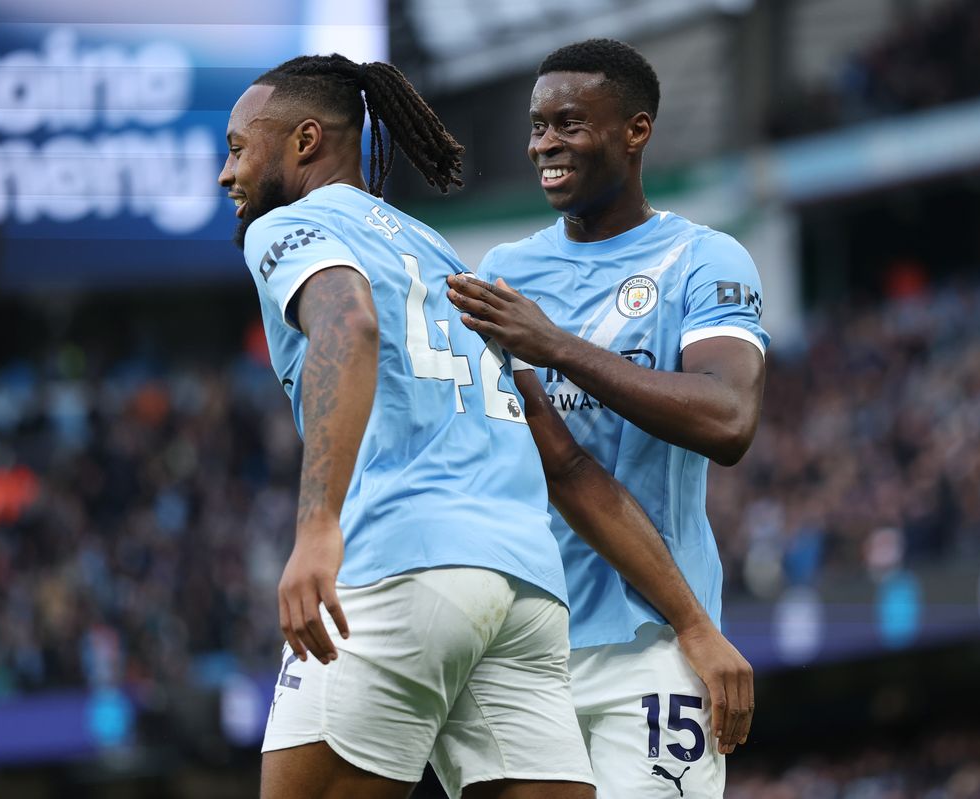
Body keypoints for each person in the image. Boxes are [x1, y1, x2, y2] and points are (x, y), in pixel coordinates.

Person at [218, 53, 741, 799]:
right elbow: (560, 461)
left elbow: (350, 324)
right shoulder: (436, 251)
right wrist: (692, 617)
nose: (225, 174)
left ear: (305, 141)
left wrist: (317, 526)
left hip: (402, 560)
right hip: (524, 591)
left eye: (238, 148)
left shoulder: (289, 226)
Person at [447, 38, 767, 798]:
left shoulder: (704, 260)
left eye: (569, 123)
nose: (545, 145)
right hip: (523, 643)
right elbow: (550, 464)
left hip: (654, 640)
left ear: (636, 130)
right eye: (536, 126)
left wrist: (554, 345)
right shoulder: (504, 275)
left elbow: (727, 420)